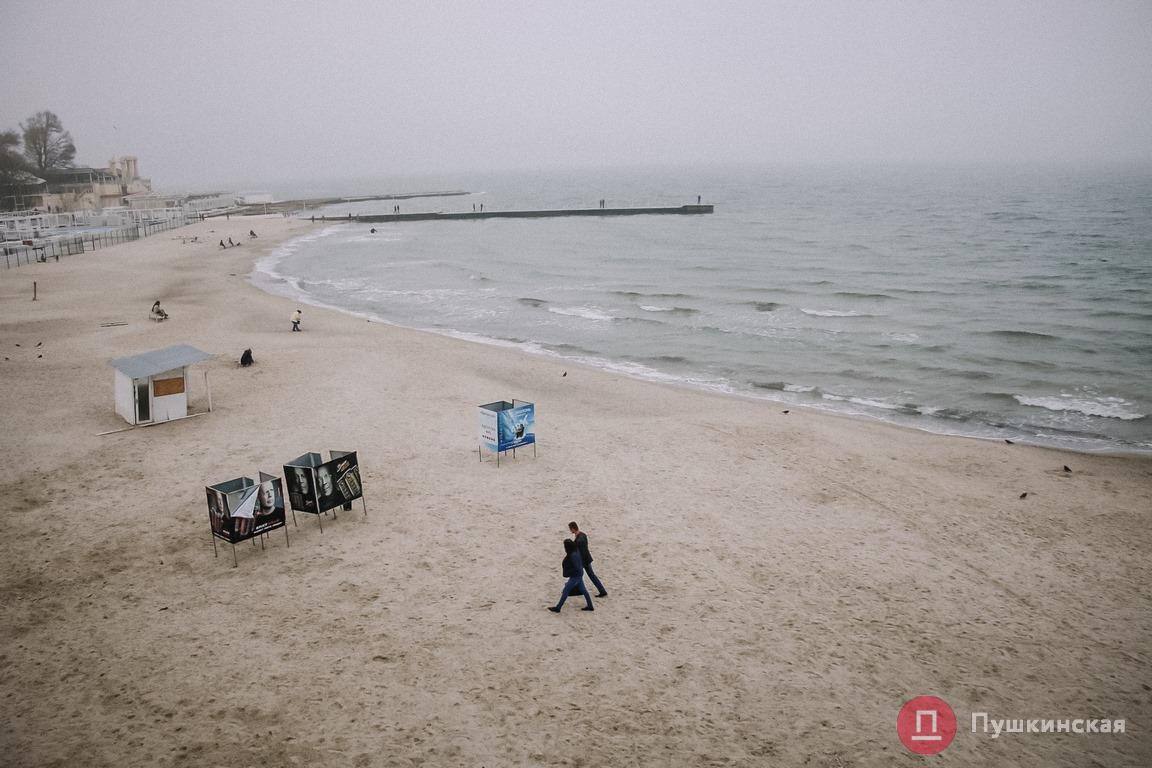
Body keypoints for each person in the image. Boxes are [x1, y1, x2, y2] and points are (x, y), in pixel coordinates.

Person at [548, 539, 594, 612]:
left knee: (566, 590)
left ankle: (558, 608)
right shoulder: (576, 550)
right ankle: (590, 606)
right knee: (583, 590)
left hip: (576, 576)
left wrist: (570, 573)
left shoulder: (573, 555)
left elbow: (576, 567)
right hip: (579, 574)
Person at [569, 521, 607, 597]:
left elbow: (582, 551)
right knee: (588, 575)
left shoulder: (580, 539)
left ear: (573, 528)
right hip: (586, 559)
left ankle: (577, 590)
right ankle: (602, 590)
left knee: (579, 575)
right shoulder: (582, 535)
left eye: (570, 529)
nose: (570, 531)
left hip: (583, 561)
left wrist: (579, 562)